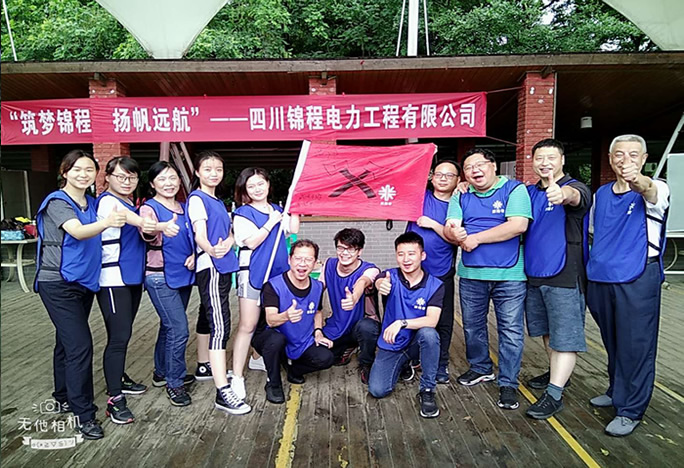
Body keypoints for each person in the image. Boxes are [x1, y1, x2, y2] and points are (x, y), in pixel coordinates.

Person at [35, 149, 127, 440]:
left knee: (66, 342)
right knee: (80, 346)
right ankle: (84, 414)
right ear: (64, 172)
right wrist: (108, 222)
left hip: (83, 282)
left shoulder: (92, 202)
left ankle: (63, 395)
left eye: (89, 170)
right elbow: (77, 231)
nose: (83, 174)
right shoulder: (57, 202)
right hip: (57, 283)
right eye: (76, 169)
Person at [586, 135, 669, 437]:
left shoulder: (656, 187)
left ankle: (631, 409)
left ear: (644, 159)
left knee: (637, 345)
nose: (625, 160)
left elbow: (649, 190)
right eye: (619, 154)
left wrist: (638, 181)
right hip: (602, 278)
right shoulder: (601, 194)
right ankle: (616, 390)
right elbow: (594, 232)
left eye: (634, 154)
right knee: (613, 340)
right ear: (610, 159)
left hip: (638, 277)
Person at [444, 147, 531, 410]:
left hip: (510, 275)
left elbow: (518, 225)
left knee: (511, 330)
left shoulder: (515, 190)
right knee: (472, 326)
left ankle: (508, 382)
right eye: (469, 168)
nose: (475, 171)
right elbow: (450, 227)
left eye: (480, 164)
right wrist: (455, 233)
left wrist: (476, 238)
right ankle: (481, 367)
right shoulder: (461, 194)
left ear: (493, 165)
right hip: (471, 274)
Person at [522, 139, 591, 420]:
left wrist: (561, 194)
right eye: (539, 158)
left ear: (562, 160)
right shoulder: (529, 192)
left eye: (551, 157)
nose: (545, 163)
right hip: (534, 273)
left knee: (565, 336)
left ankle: (554, 394)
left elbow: (574, 197)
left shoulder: (576, 187)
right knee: (548, 331)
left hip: (565, 273)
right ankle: (557, 375)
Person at [187, 151, 250, 415]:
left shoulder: (218, 201)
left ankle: (208, 368)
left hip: (223, 267)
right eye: (208, 169)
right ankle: (222, 391)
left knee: (213, 318)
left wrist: (229, 242)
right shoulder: (197, 199)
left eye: (218, 169)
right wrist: (210, 250)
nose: (214, 173)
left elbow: (230, 234)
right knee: (220, 325)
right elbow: (199, 234)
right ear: (197, 172)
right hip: (212, 267)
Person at [230, 167, 299, 401]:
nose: (257, 189)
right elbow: (250, 242)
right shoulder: (243, 213)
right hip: (253, 275)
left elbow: (293, 229)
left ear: (268, 184)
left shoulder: (278, 210)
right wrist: (270, 222)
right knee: (248, 325)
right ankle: (236, 377)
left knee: (270, 321)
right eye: (251, 186)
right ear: (245, 190)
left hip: (277, 276)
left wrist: (295, 204)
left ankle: (257, 357)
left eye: (261, 183)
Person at [95, 157, 150, 425]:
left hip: (131, 277)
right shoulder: (108, 202)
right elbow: (142, 224)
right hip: (112, 278)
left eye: (132, 177)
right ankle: (114, 399)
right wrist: (159, 225)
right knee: (118, 337)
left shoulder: (129, 202)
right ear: (107, 177)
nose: (127, 182)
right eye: (121, 176)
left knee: (123, 334)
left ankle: (118, 378)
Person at [368, 232, 444, 419]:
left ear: (422, 255)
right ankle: (403, 364)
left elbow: (432, 320)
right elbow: (379, 279)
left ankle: (427, 389)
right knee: (377, 390)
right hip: (393, 343)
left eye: (411, 253)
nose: (406, 259)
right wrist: (380, 285)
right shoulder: (390, 276)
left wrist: (401, 323)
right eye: (401, 254)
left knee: (429, 334)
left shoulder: (435, 285)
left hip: (416, 341)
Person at [141, 161, 197, 407]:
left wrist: (195, 254)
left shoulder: (184, 208)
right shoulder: (148, 209)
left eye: (172, 178)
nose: (169, 183)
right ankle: (175, 382)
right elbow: (146, 232)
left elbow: (194, 237)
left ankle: (161, 372)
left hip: (183, 275)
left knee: (168, 326)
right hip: (160, 276)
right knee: (179, 329)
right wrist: (160, 227)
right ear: (152, 184)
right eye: (162, 179)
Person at [251, 240, 334, 404]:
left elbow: (318, 311)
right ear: (289, 260)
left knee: (327, 357)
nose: (302, 264)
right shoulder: (273, 286)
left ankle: (293, 370)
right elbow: (270, 319)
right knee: (276, 340)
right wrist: (286, 316)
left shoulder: (318, 287)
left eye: (308, 259)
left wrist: (318, 332)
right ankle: (273, 383)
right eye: (298, 258)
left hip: (301, 339)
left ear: (315, 263)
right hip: (272, 338)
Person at [406, 160, 461, 383]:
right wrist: (425, 156)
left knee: (443, 320)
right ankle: (411, 358)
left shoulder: (459, 204)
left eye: (449, 175)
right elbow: (407, 177)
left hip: (441, 271)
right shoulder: (420, 197)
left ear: (458, 180)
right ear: (431, 176)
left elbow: (458, 239)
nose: (443, 178)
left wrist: (432, 224)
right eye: (439, 174)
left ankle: (441, 364)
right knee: (411, 315)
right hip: (412, 270)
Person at [320, 228, 381, 384]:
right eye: (341, 248)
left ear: (359, 251)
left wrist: (354, 297)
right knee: (321, 355)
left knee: (367, 328)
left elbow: (363, 281)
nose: (345, 253)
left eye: (351, 249)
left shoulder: (370, 269)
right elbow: (317, 289)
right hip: (337, 325)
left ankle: (366, 363)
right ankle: (348, 347)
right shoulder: (329, 264)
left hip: (360, 324)